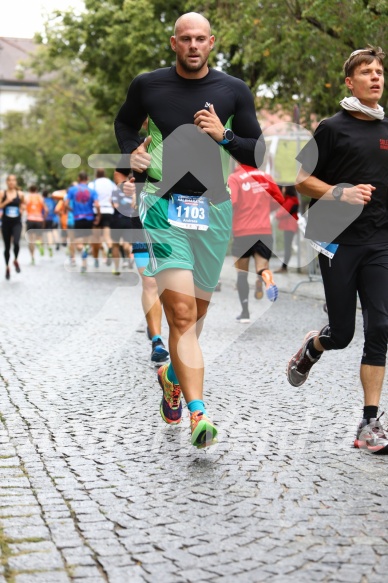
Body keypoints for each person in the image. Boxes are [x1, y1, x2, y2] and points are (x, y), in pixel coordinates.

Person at [114, 12, 264, 448]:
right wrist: (131, 154)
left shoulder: (233, 91)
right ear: (174, 43)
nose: (194, 45)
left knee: (195, 318)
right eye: (186, 39)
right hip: (161, 204)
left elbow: (255, 154)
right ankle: (199, 414)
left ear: (211, 42)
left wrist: (225, 137)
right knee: (179, 314)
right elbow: (126, 124)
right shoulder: (149, 85)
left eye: (201, 38)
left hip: (214, 210)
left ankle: (171, 375)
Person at [286, 46, 388, 454]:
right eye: (367, 72)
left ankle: (369, 424)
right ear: (350, 82)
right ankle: (314, 346)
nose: (375, 78)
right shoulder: (332, 127)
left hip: (380, 241)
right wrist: (338, 192)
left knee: (381, 327)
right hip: (338, 239)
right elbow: (301, 180)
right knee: (343, 334)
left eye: (379, 71)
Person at [113, 168, 170, 367]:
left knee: (170, 283)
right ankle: (157, 341)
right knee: (150, 281)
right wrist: (124, 186)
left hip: (174, 224)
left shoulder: (185, 141)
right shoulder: (135, 147)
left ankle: (156, 323)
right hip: (142, 223)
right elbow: (119, 173)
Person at [229, 164, 283, 323]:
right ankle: (266, 278)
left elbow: (232, 202)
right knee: (261, 267)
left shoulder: (235, 178)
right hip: (264, 231)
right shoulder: (266, 177)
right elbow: (278, 199)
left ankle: (245, 312)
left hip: (242, 232)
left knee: (242, 273)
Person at [65, 171, 100, 273]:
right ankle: (84, 263)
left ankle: (83, 252)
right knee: (86, 240)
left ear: (78, 178)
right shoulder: (92, 191)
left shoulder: (72, 190)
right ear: (87, 178)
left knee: (77, 242)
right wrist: (98, 215)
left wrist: (72, 210)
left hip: (78, 218)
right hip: (89, 218)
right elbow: (97, 205)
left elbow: (66, 204)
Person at [88, 169, 115, 268]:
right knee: (107, 236)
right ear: (105, 174)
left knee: (96, 238)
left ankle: (96, 259)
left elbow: (89, 197)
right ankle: (110, 248)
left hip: (96, 212)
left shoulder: (92, 184)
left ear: (96, 175)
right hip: (108, 211)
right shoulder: (111, 183)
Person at [0, 175, 24, 280]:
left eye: (13, 180)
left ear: (16, 182)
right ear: (7, 182)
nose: (11, 182)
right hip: (6, 222)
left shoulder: (20, 194)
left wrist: (22, 209)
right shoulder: (2, 193)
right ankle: (7, 267)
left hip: (16, 222)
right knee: (7, 247)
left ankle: (15, 259)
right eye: (9, 180)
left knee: (16, 243)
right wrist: (6, 201)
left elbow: (23, 204)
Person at [274, 185, 300, 273]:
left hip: (289, 226)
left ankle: (284, 267)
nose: (283, 191)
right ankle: (284, 266)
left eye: (284, 189)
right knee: (287, 247)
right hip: (291, 226)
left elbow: (279, 214)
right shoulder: (293, 200)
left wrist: (278, 213)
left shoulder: (290, 201)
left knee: (287, 247)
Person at [25, 185, 47, 265]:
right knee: (39, 237)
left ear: (29, 190)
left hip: (30, 219)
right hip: (39, 219)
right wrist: (43, 218)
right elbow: (46, 210)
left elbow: (24, 207)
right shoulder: (40, 197)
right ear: (36, 190)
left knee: (30, 240)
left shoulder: (27, 197)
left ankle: (32, 257)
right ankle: (39, 242)